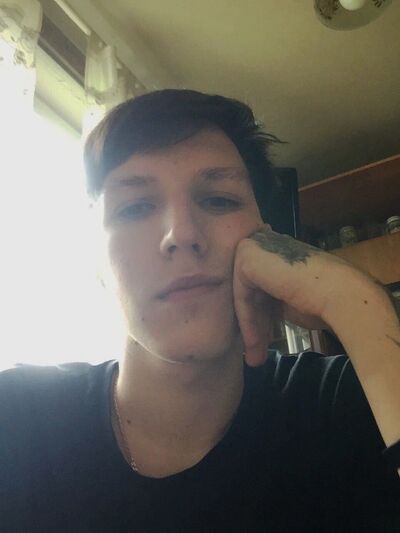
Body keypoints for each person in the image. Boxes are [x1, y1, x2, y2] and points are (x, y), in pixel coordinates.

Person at [1, 89, 399, 532]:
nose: (182, 233)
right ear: (97, 262)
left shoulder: (350, 404)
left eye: (218, 200)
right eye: (136, 207)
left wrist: (358, 306)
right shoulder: (14, 419)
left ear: (269, 239)